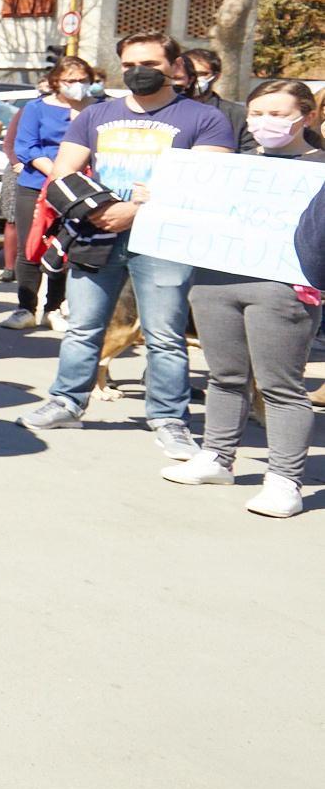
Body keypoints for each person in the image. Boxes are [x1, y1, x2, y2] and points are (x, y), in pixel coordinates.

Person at [19, 31, 239, 454]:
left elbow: (209, 184)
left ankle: (169, 418)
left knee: (164, 334)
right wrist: (100, 211)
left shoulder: (203, 118)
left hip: (164, 241)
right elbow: (64, 172)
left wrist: (134, 212)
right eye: (131, 64)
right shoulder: (95, 115)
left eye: (152, 64)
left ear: (174, 68)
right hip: (97, 234)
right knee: (83, 327)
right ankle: (66, 401)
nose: (140, 72)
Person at [164, 79, 321, 516]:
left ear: (306, 117)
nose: (264, 122)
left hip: (282, 289)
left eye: (277, 113)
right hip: (215, 281)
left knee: (281, 386)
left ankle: (286, 479)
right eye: (257, 113)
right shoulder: (230, 166)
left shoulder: (319, 168)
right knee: (224, 376)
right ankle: (217, 456)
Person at [8, 56, 95, 329]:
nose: (77, 86)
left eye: (83, 80)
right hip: (36, 185)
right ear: (57, 81)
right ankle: (25, 308)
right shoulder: (36, 108)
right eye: (70, 80)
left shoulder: (97, 110)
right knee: (30, 247)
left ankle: (53, 308)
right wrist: (57, 171)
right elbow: (27, 146)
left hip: (79, 189)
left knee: (63, 248)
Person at [182, 48, 248, 142]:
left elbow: (248, 150)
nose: (195, 79)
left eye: (202, 74)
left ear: (216, 77)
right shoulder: (166, 108)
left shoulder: (237, 115)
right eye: (190, 73)